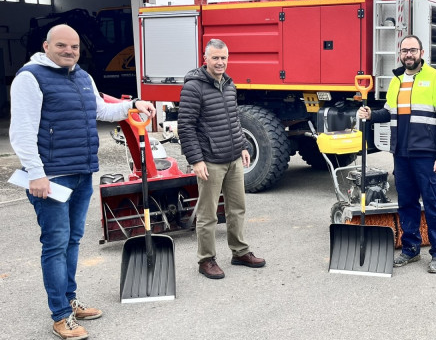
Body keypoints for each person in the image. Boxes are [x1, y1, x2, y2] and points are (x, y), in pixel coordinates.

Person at [10, 24, 156, 339]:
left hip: (81, 173)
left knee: (73, 241)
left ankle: (70, 300)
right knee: (56, 244)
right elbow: (21, 130)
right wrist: (35, 173)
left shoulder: (82, 77)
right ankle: (61, 316)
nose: (69, 51)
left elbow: (101, 110)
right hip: (51, 177)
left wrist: (132, 106)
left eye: (74, 47)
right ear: (47, 46)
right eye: (62, 45)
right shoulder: (30, 78)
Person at [357, 35, 436, 273]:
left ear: (422, 52)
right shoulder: (396, 80)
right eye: (404, 50)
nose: (408, 54)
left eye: (413, 50)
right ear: (400, 54)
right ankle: (411, 249)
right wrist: (370, 114)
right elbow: (389, 112)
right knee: (407, 203)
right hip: (401, 153)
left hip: (427, 154)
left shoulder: (435, 78)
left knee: (432, 204)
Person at [177, 38, 265, 280]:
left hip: (233, 157)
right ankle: (206, 259)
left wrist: (243, 146)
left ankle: (240, 252)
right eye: (215, 57)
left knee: (237, 209)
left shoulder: (228, 83)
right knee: (208, 215)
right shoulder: (194, 87)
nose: (220, 62)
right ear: (205, 59)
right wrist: (196, 160)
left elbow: (234, 119)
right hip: (210, 161)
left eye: (224, 57)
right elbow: (185, 126)